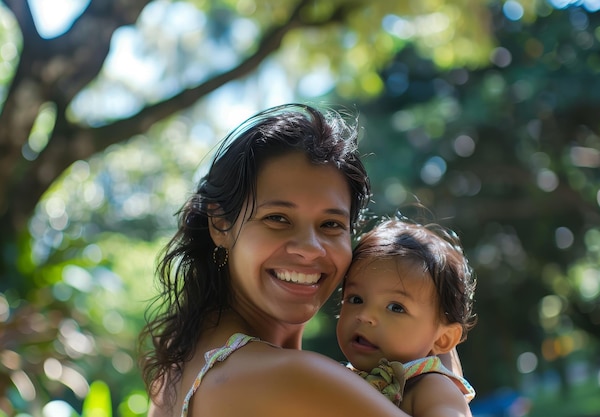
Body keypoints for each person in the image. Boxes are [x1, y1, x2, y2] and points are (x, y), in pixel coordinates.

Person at [139, 103, 423, 417]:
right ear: (220, 224)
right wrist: (437, 355)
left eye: (331, 224)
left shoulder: (179, 369)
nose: (311, 248)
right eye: (278, 218)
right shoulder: (288, 377)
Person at [336, 216, 478, 417]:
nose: (365, 315)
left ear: (443, 338)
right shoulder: (340, 377)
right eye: (356, 299)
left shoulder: (431, 386)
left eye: (396, 307)